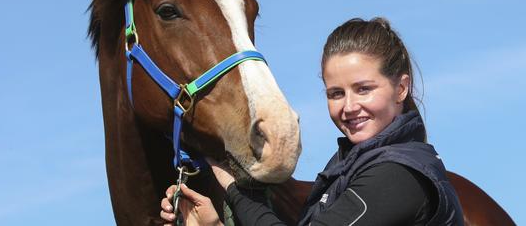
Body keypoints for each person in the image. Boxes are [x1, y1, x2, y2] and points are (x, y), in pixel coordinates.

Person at [160, 18, 465, 225]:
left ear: (401, 88)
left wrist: (235, 191)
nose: (349, 106)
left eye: (364, 89)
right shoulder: (347, 169)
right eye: (335, 93)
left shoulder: (400, 175)